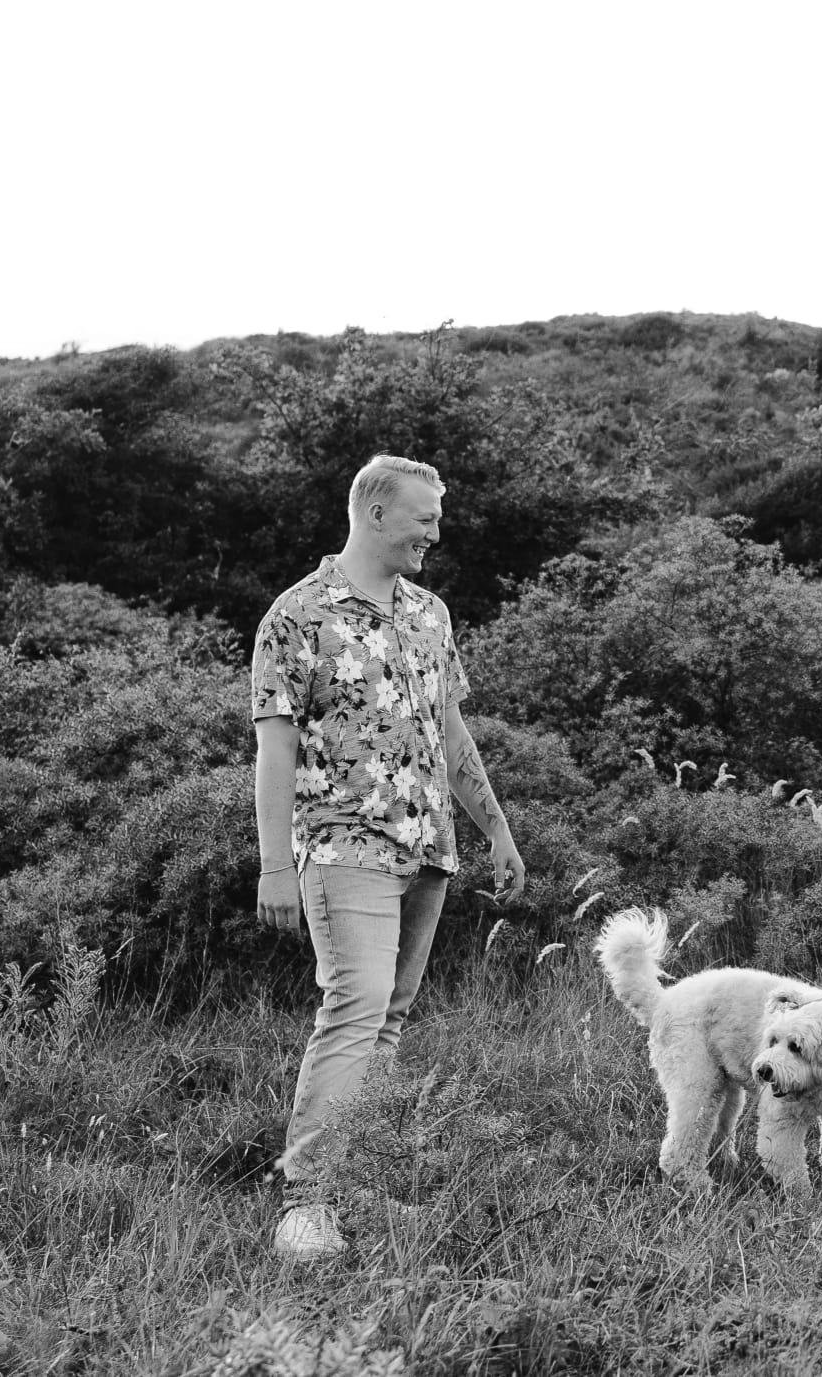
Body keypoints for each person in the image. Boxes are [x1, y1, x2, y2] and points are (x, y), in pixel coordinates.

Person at [250, 454, 528, 1260]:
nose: (435, 533)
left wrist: (496, 829)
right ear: (375, 514)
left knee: (389, 1021)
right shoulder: (296, 615)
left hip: (428, 845)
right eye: (424, 518)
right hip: (342, 842)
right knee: (356, 1002)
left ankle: (354, 1186)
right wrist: (275, 864)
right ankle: (304, 1204)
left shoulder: (430, 613)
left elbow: (450, 730)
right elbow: (274, 750)